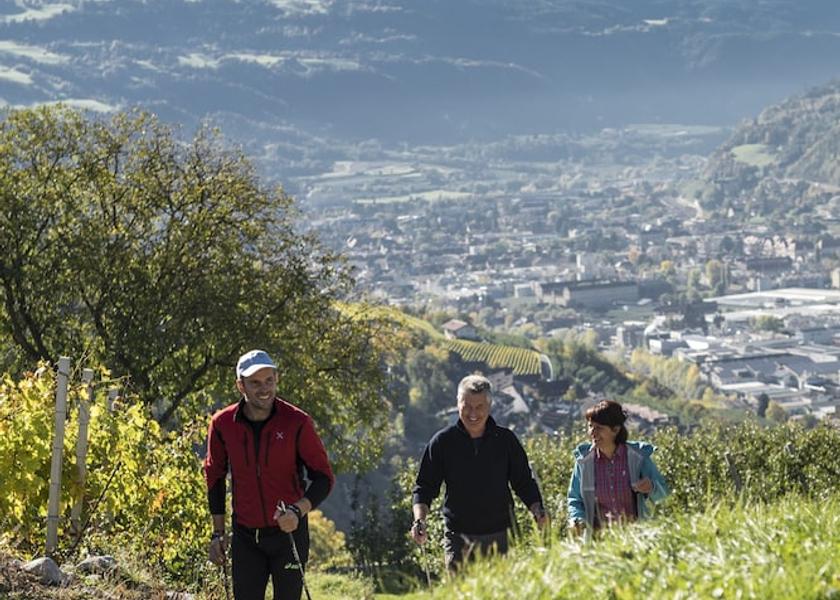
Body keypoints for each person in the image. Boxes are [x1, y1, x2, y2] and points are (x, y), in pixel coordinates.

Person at [204, 349, 334, 600]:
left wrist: (298, 510)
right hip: (245, 537)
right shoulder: (222, 424)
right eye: (254, 383)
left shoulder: (297, 422)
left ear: (277, 379)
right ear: (240, 385)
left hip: (289, 537)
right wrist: (218, 534)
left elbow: (324, 478)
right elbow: (215, 477)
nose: (264, 389)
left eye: (269, 381)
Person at [410, 374, 548, 572]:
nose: (473, 413)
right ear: (458, 403)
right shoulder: (442, 443)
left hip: (502, 537)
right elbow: (424, 488)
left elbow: (524, 483)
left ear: (489, 406)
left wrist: (537, 510)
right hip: (458, 539)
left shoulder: (506, 441)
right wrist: (419, 520)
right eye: (467, 405)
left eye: (479, 406)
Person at [567, 399, 669, 535]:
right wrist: (577, 520)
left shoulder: (638, 458)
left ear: (615, 429)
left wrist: (652, 487)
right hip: (600, 543)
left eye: (599, 428)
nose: (592, 432)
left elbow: (664, 495)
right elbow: (575, 499)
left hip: (637, 539)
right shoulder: (584, 463)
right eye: (591, 426)